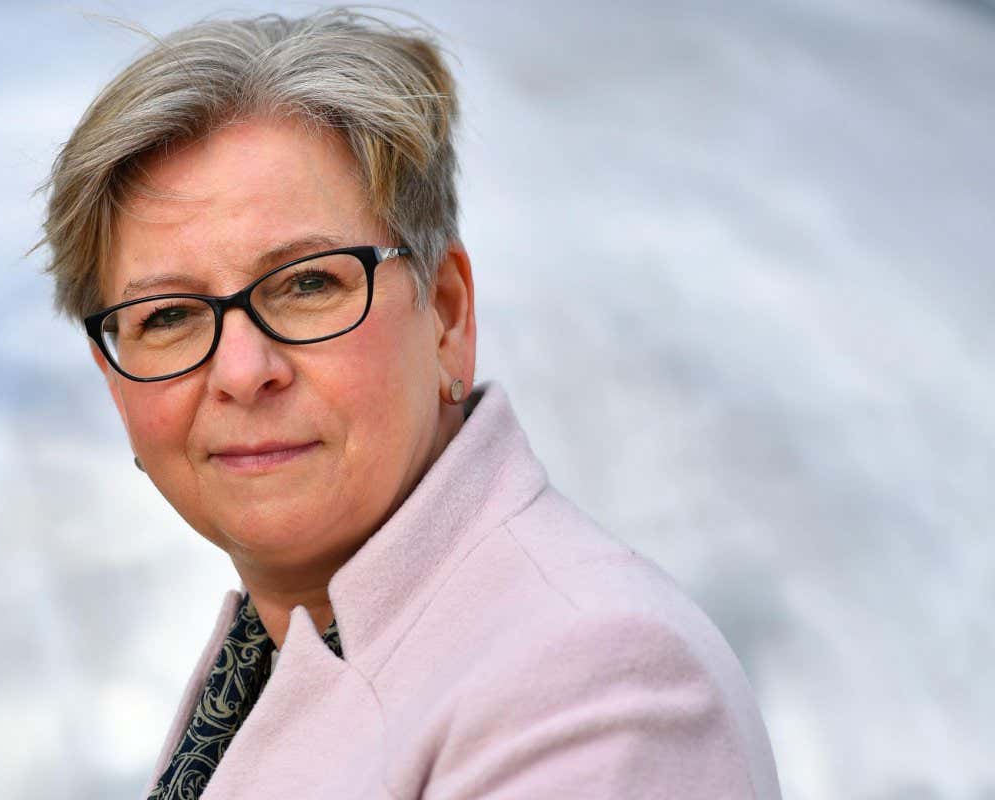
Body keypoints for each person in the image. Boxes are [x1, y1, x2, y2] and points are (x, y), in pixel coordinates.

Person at [38, 9, 781, 799]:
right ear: (113, 376)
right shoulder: (282, 658)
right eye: (168, 316)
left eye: (309, 283)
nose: (241, 371)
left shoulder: (594, 680)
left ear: (447, 315)